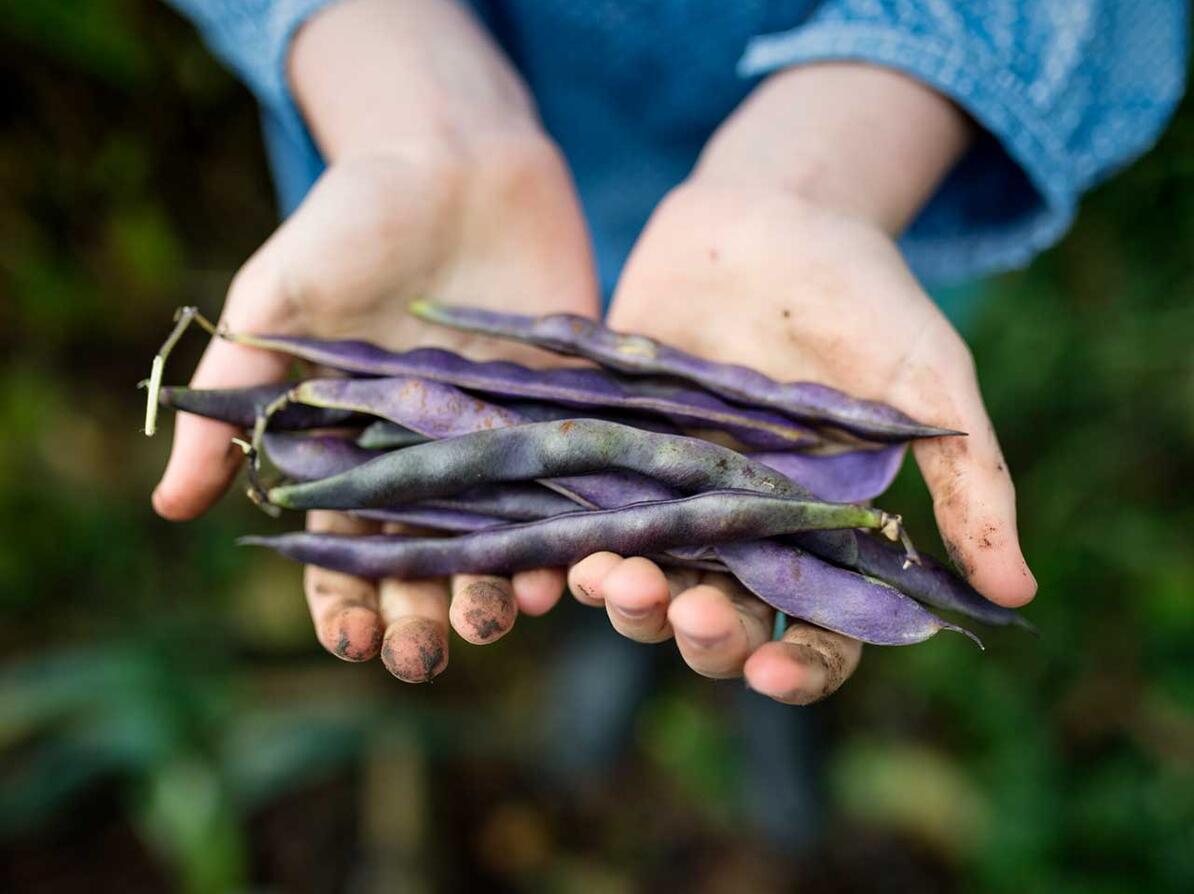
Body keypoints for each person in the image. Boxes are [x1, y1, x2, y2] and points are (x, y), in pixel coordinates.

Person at [154, 0, 1187, 705]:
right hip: (447, 218)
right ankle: (636, 638)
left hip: (848, 189)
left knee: (737, 515)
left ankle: (725, 642)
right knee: (624, 544)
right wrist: (410, 106)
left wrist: (832, 166)